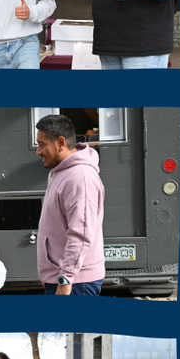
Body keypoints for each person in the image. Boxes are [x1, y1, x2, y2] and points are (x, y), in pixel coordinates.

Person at [34, 113, 105, 295]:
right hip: (64, 278)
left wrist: (65, 279)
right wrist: (49, 273)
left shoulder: (79, 178)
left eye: (42, 144)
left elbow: (81, 234)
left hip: (75, 283)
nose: (38, 152)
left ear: (60, 143)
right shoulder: (61, 172)